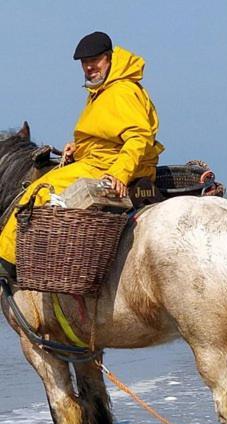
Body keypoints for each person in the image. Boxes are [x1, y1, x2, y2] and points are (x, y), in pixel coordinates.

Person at [0, 31, 164, 279]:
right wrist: (77, 148)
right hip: (98, 160)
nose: (89, 68)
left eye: (95, 61)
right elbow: (104, 135)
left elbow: (138, 137)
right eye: (85, 64)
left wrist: (119, 173)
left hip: (108, 166)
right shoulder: (103, 90)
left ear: (109, 58)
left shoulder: (121, 91)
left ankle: (10, 260)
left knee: (40, 190)